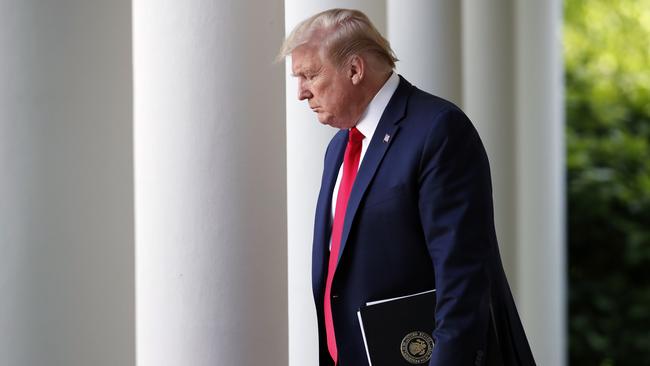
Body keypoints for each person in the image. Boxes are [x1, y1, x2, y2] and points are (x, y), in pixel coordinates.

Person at [279, 8, 536, 366]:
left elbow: (462, 277)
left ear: (355, 69)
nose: (301, 93)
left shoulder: (439, 130)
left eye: (310, 75)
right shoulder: (339, 147)